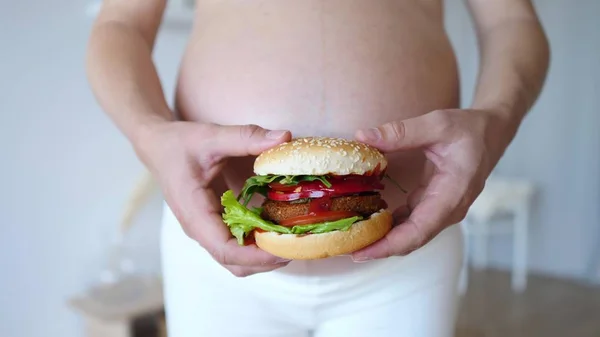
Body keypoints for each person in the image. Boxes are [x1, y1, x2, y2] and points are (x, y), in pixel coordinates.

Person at [86, 0, 549, 336]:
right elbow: (121, 24)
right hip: (213, 262)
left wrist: (495, 121)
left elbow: (511, 20)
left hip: (411, 259)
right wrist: (149, 133)